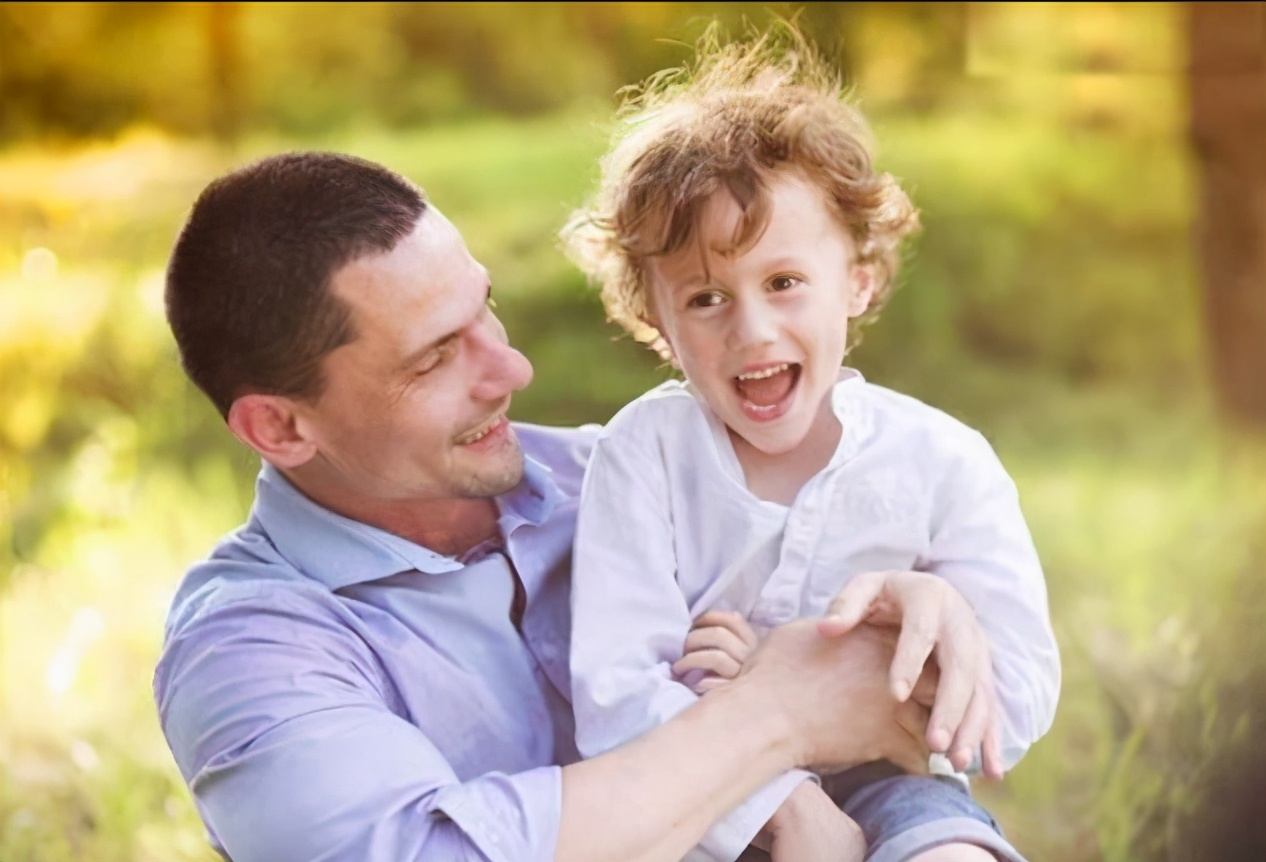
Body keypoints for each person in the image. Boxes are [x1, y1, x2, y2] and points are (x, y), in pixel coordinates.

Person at [154, 148, 1003, 862]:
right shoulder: (251, 652)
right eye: (435, 357)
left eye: (483, 308)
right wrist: (769, 731)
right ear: (280, 426)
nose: (511, 372)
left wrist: (917, 607)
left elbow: (872, 717)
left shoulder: (636, 476)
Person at [561, 25, 1060, 862]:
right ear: (655, 318)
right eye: (706, 299)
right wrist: (771, 781)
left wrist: (861, 656)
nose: (753, 331)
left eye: (784, 282)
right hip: (704, 797)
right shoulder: (643, 454)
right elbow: (614, 697)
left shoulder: (942, 461)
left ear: (856, 282)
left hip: (898, 779)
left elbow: (1016, 692)